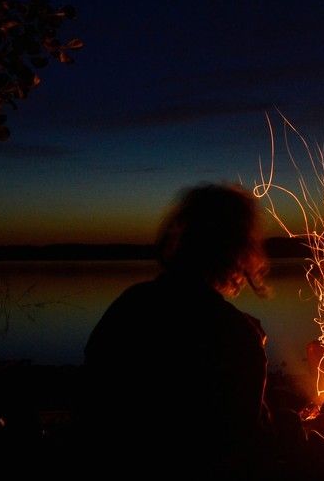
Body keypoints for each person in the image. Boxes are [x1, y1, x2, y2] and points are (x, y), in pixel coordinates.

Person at [82, 184, 271, 471]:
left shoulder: (131, 305)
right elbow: (244, 442)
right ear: (238, 252)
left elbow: (91, 404)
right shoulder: (237, 337)